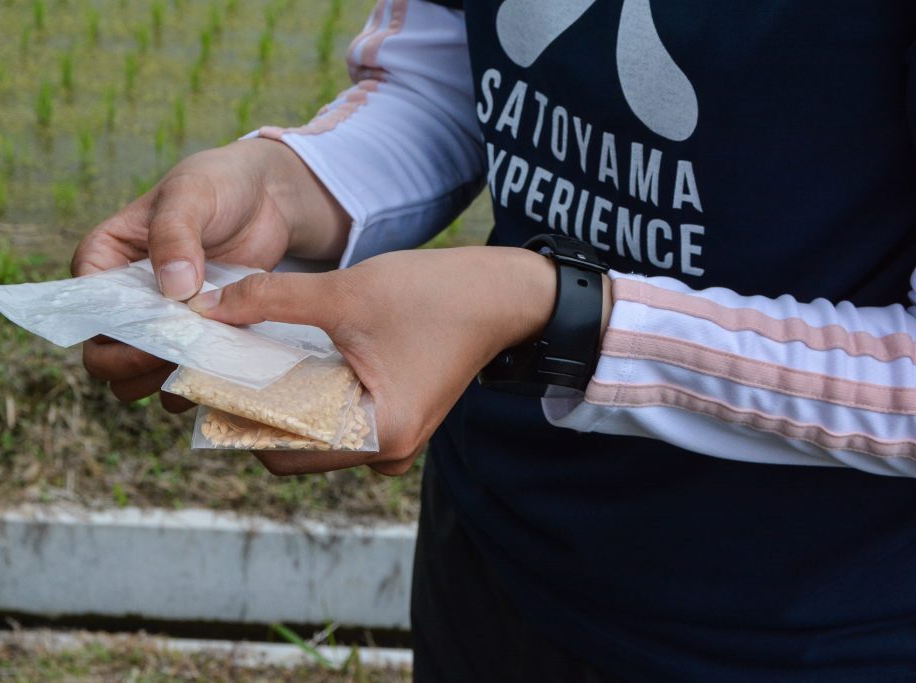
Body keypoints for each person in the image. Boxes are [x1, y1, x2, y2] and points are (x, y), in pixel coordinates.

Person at [71, 1, 916, 680]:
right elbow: (456, 72)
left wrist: (556, 315)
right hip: (494, 547)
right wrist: (291, 185)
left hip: (804, 624)